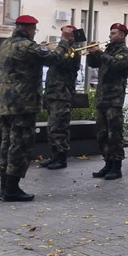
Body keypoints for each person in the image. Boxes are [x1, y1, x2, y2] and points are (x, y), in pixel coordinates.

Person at [0, 16, 74, 202]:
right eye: (34, 30)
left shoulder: (6, 44)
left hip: (6, 104)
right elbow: (55, 58)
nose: (34, 33)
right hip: (23, 104)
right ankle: (12, 189)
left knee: (6, 144)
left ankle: (4, 188)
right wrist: (64, 40)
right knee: (20, 146)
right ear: (29, 29)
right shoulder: (26, 46)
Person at [86, 23, 128, 179]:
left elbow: (116, 64)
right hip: (102, 98)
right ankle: (107, 162)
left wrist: (98, 52)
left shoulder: (124, 52)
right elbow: (92, 64)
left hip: (114, 99)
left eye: (113, 33)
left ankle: (116, 166)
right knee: (102, 134)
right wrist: (91, 53)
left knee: (114, 135)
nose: (110, 35)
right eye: (110, 32)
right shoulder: (108, 50)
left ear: (122, 35)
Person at [40, 28, 82, 171]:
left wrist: (62, 43)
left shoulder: (74, 48)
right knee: (51, 126)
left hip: (63, 93)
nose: (63, 35)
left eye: (66, 32)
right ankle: (54, 155)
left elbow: (60, 60)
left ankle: (61, 157)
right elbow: (50, 60)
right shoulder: (63, 47)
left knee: (59, 127)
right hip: (53, 93)